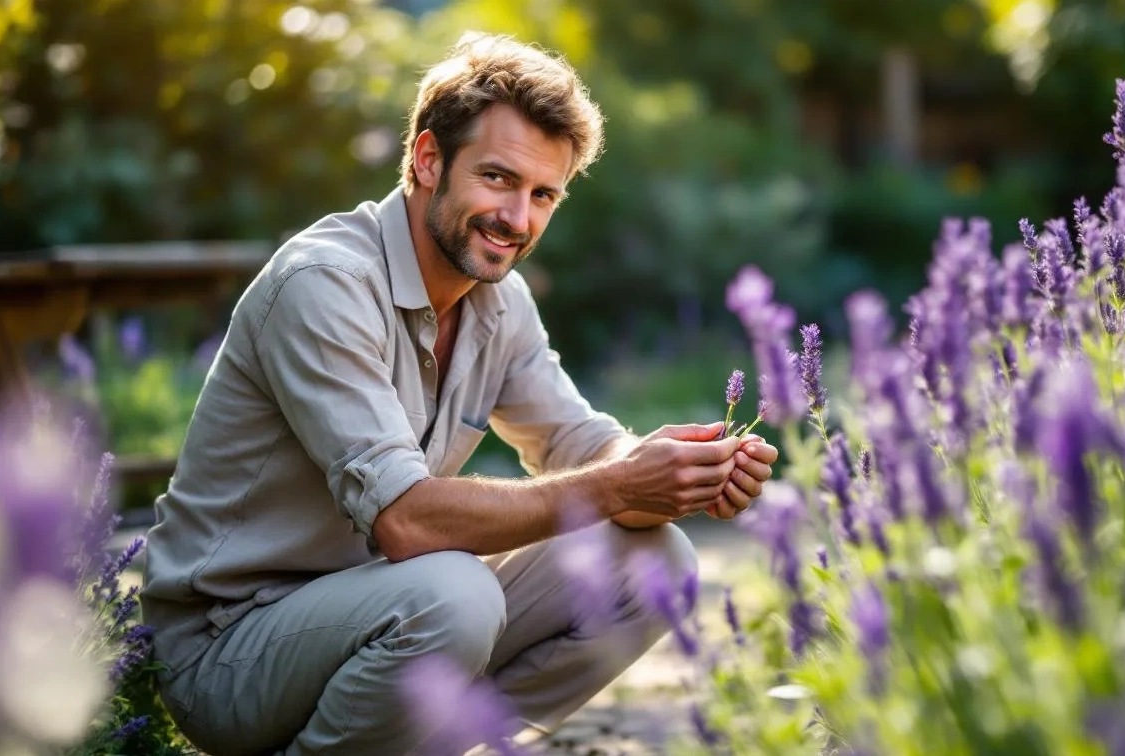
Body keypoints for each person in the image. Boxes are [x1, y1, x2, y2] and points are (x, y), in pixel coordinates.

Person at [140, 31, 778, 755]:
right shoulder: (324, 283)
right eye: (499, 179)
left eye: (544, 195)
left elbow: (579, 446)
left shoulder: (497, 303)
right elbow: (407, 523)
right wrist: (618, 482)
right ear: (427, 159)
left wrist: (673, 470)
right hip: (227, 651)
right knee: (453, 595)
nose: (519, 220)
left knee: (655, 565)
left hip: (377, 609)